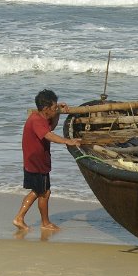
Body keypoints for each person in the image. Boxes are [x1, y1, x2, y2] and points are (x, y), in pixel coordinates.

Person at [13, 89, 81, 232]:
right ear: (45, 109)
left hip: (35, 160)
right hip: (36, 162)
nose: (55, 109)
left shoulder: (39, 118)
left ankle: (38, 221)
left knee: (42, 191)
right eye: (53, 107)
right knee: (42, 192)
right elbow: (49, 135)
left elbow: (51, 127)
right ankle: (27, 219)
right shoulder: (36, 121)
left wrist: (57, 112)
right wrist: (67, 141)